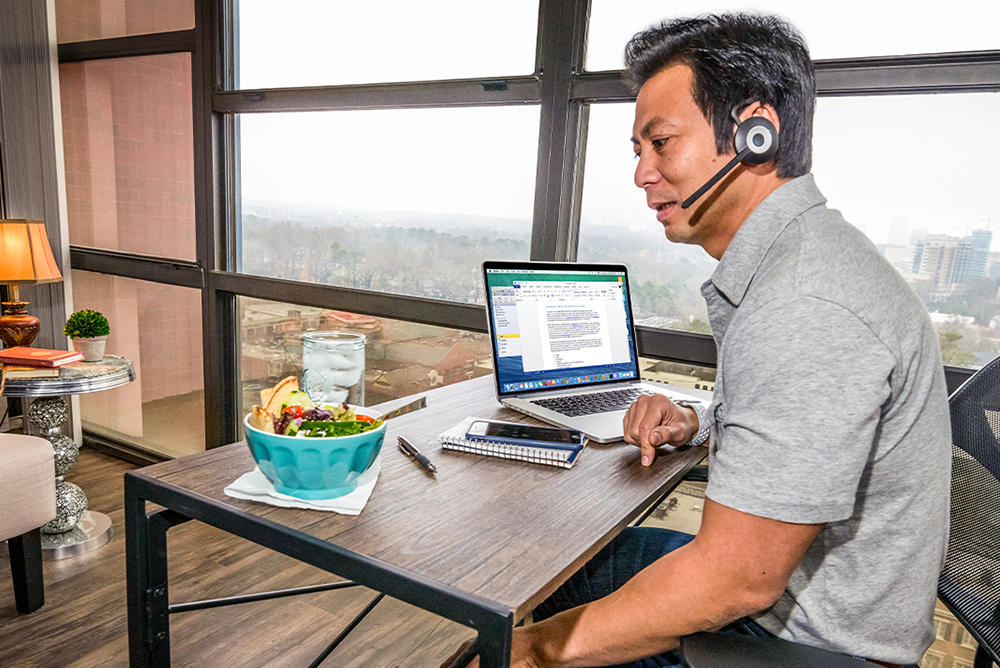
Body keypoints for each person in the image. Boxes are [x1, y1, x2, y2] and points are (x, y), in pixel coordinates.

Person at [443, 12, 950, 668]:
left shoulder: (804, 301)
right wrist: (698, 421)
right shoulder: (809, 260)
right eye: (637, 151)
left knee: (511, 628)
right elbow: (810, 426)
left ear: (756, 134)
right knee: (565, 565)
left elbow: (732, 582)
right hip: (802, 609)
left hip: (794, 648)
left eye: (661, 143)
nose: (642, 175)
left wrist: (531, 653)